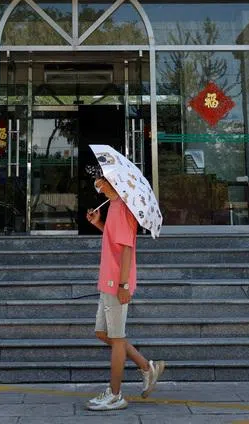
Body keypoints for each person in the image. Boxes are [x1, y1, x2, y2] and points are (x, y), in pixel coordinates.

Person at [83, 173, 165, 411]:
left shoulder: (123, 208)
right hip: (107, 280)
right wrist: (98, 223)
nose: (97, 185)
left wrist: (123, 285)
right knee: (102, 332)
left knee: (117, 338)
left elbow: (127, 248)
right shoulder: (114, 205)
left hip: (116, 281)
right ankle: (147, 367)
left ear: (112, 182)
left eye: (100, 180)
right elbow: (114, 241)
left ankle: (115, 395)